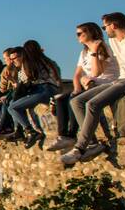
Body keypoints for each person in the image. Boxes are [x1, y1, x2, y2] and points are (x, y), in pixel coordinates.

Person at [62, 12, 125, 166]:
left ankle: (80, 148)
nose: (104, 30)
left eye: (105, 26)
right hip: (122, 79)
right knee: (77, 101)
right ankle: (93, 144)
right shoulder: (114, 41)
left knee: (93, 104)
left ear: (113, 25)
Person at [47, 22, 116, 152]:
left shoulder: (102, 48)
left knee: (75, 101)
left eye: (80, 33)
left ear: (90, 33)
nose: (77, 36)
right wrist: (77, 88)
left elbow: (96, 73)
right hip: (88, 85)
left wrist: (95, 52)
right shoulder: (84, 52)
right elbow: (77, 74)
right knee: (61, 99)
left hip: (104, 84)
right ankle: (64, 136)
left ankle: (85, 139)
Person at [7, 40, 61, 148]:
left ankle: (30, 131)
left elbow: (25, 82)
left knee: (12, 107)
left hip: (42, 90)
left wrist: (13, 78)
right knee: (22, 105)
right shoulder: (49, 61)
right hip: (52, 89)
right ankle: (26, 131)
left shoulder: (29, 63)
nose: (12, 61)